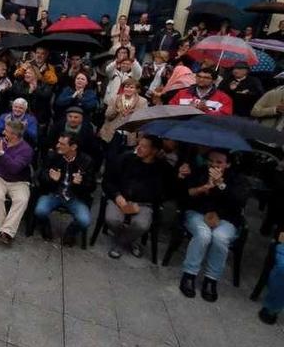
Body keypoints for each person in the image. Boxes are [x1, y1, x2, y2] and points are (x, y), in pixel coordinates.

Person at [176, 150, 246, 302]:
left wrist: (221, 184)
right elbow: (184, 194)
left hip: (226, 219)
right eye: (211, 161)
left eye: (219, 162)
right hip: (198, 213)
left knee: (220, 238)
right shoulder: (199, 172)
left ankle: (211, 279)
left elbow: (240, 201)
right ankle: (189, 274)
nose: (214, 165)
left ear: (228, 164)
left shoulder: (236, 179)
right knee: (203, 235)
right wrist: (202, 188)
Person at [102, 135, 174, 259]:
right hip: (121, 199)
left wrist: (149, 199)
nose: (138, 148)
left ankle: (120, 243)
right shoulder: (126, 158)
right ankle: (130, 240)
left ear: (154, 151)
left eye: (144, 147)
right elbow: (108, 180)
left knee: (142, 225)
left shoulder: (163, 167)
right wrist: (117, 196)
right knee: (112, 219)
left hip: (144, 204)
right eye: (138, 145)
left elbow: (169, 191)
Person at [34, 133, 96, 246]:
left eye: (62, 144)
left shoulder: (86, 161)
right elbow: (41, 175)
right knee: (40, 211)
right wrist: (51, 179)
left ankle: (70, 232)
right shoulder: (52, 156)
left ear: (73, 147)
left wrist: (81, 183)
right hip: (54, 193)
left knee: (85, 221)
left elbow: (92, 186)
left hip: (75, 197)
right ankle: (45, 225)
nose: (58, 146)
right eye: (58, 142)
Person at [0, 119, 34, 245]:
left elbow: (14, 168)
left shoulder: (26, 150)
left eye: (6, 131)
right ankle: (4, 231)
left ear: (14, 135)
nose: (3, 132)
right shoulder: (0, 140)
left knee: (22, 199)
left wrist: (1, 151)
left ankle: (5, 231)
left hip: (18, 181)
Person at [168, 68, 233, 115]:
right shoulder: (182, 93)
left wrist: (206, 111)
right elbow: (170, 110)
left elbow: (225, 118)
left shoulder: (223, 98)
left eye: (206, 78)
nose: (201, 79)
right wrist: (186, 109)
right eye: (199, 76)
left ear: (214, 81)